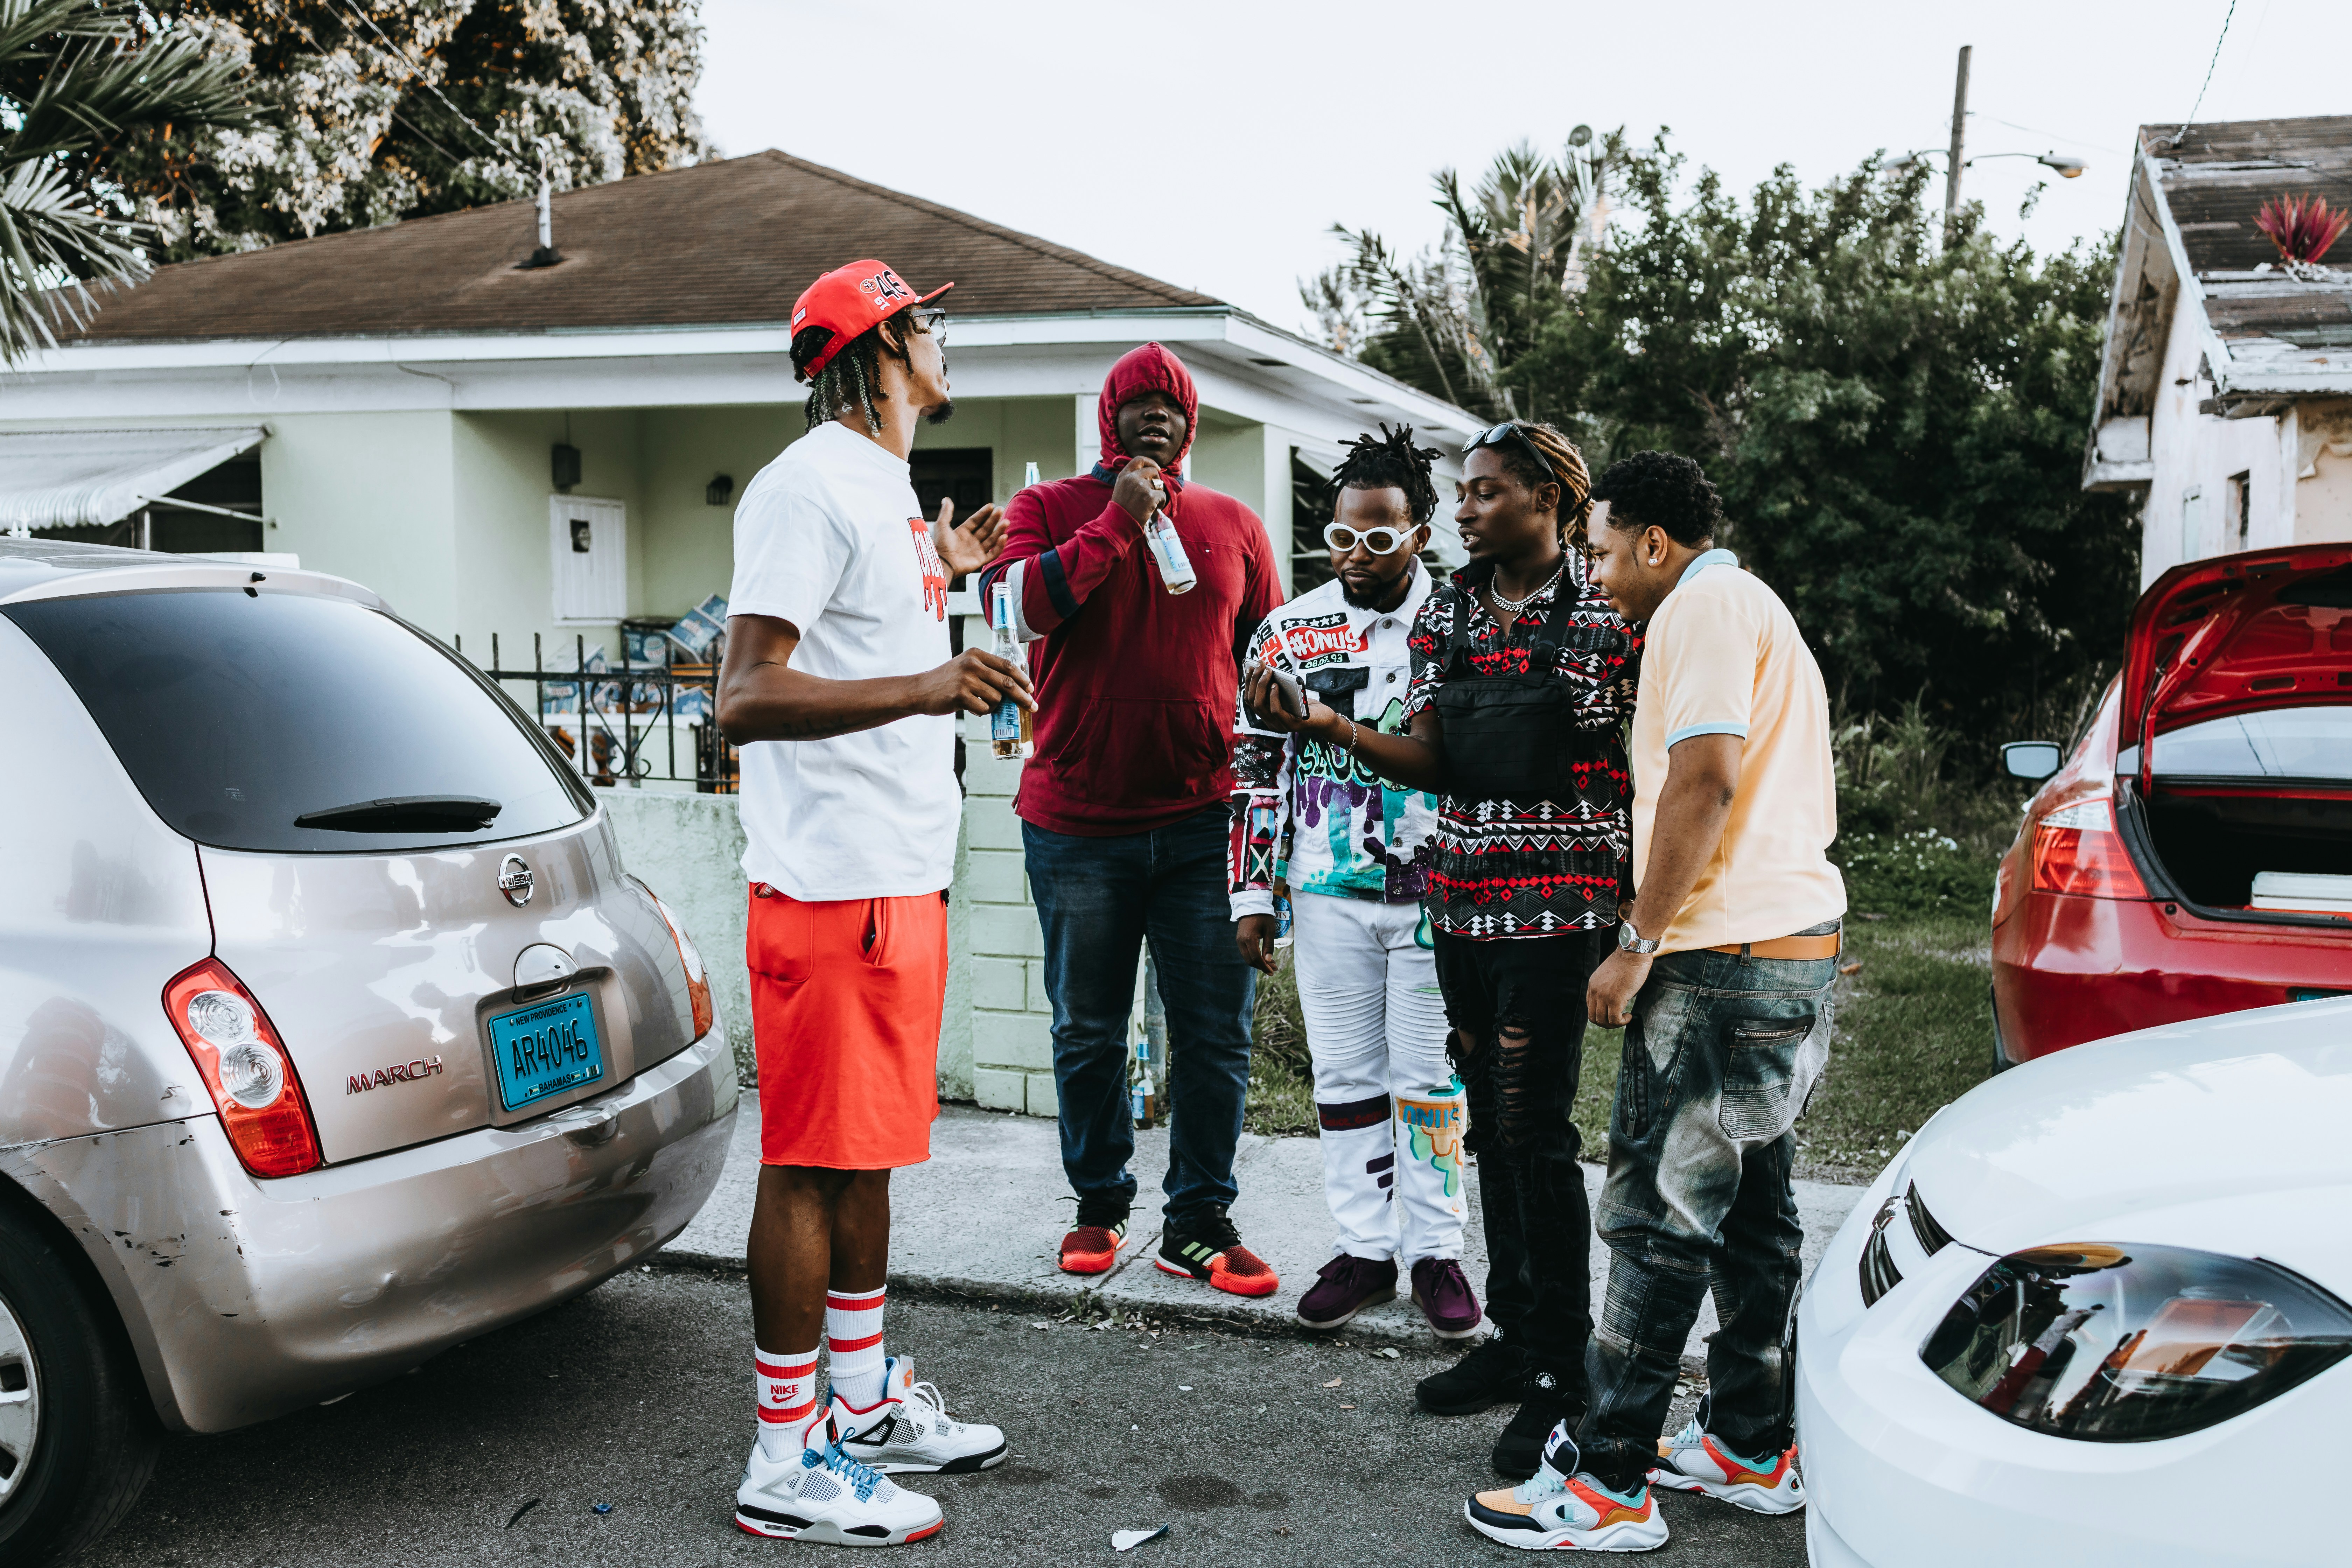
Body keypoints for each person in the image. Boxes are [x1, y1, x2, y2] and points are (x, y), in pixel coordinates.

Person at [1466, 451, 1844, 1554]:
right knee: (1753, 1209)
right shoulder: (1750, 604)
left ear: (1653, 543)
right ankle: (1749, 1442)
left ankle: (1609, 1482)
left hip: (1721, 958)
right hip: (1787, 947)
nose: (1595, 575)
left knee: (1655, 1219)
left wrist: (1637, 941)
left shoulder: (1701, 608)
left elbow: (1706, 777)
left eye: (1600, 553)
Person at [1244, 420, 1638, 1478]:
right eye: (1462, 492)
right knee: (1494, 1134)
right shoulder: (1454, 611)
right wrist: (1331, 729)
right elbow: (1434, 758)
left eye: (1486, 492)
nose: (1466, 509)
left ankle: (1560, 1365)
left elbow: (1643, 759)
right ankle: (1515, 1336)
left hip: (1555, 911)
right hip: (1459, 906)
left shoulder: (1607, 611)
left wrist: (1639, 918)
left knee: (1532, 1130)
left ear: (1549, 500)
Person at [716, 259, 1029, 1547]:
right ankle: (784, 1458)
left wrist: (940, 575)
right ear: (883, 346)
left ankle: (858, 1405)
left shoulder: (885, 489)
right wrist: (931, 682)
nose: (945, 339)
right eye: (928, 322)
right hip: (831, 886)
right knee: (807, 1162)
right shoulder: (803, 488)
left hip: (897, 876)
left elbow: (860, 639)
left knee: (869, 1154)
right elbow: (745, 695)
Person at [975, 342, 1287, 1297]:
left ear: (1191, 424)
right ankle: (1100, 1203)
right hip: (1078, 824)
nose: (1156, 415)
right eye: (1137, 402)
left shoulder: (1234, 523)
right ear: (1108, 419)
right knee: (1087, 1030)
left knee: (1215, 1034)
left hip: (1205, 822)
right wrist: (1117, 520)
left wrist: (1270, 787)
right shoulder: (1047, 508)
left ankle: (1198, 1219)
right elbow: (1020, 609)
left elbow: (1271, 659)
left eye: (1171, 405)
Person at [1228, 425, 1477, 1339]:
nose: (1355, 555)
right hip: (1326, 889)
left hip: (1434, 894)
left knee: (1430, 1079)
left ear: (1420, 535)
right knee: (1344, 1077)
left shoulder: (1461, 624)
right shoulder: (1288, 631)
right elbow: (1255, 774)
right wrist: (1253, 896)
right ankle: (1366, 1249)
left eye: (1378, 537)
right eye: (1341, 536)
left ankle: (1436, 1251)